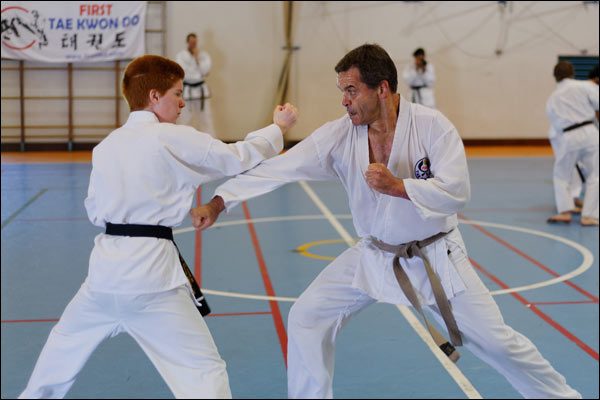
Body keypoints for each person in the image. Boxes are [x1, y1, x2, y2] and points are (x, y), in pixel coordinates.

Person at [191, 44, 581, 399]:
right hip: (373, 254)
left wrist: (400, 187)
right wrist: (222, 200)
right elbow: (280, 168)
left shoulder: (432, 126)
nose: (344, 101)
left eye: (351, 90)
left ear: (382, 89)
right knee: (308, 316)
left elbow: (457, 191)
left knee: (496, 343)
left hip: (435, 257)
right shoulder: (339, 136)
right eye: (341, 91)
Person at [18, 54, 298, 399]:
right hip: (153, 282)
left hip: (103, 280)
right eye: (177, 93)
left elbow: (94, 212)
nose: (182, 101)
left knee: (55, 365)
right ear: (154, 96)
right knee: (203, 373)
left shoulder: (106, 147)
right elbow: (235, 157)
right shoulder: (171, 137)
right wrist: (278, 128)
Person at [546, 61, 599, 226]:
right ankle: (589, 216)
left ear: (555, 77)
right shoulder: (584, 86)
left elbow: (554, 124)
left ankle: (565, 212)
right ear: (572, 73)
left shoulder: (552, 98)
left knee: (561, 174)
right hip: (590, 132)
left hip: (568, 135)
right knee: (595, 175)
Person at [175, 33, 216, 136]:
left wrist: (197, 59)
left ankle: (209, 140)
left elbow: (205, 71)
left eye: (195, 42)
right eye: (191, 42)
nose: (193, 44)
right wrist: (195, 69)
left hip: (200, 89)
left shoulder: (203, 55)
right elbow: (182, 71)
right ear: (187, 42)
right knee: (185, 117)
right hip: (187, 89)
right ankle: (183, 139)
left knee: (205, 116)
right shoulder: (181, 56)